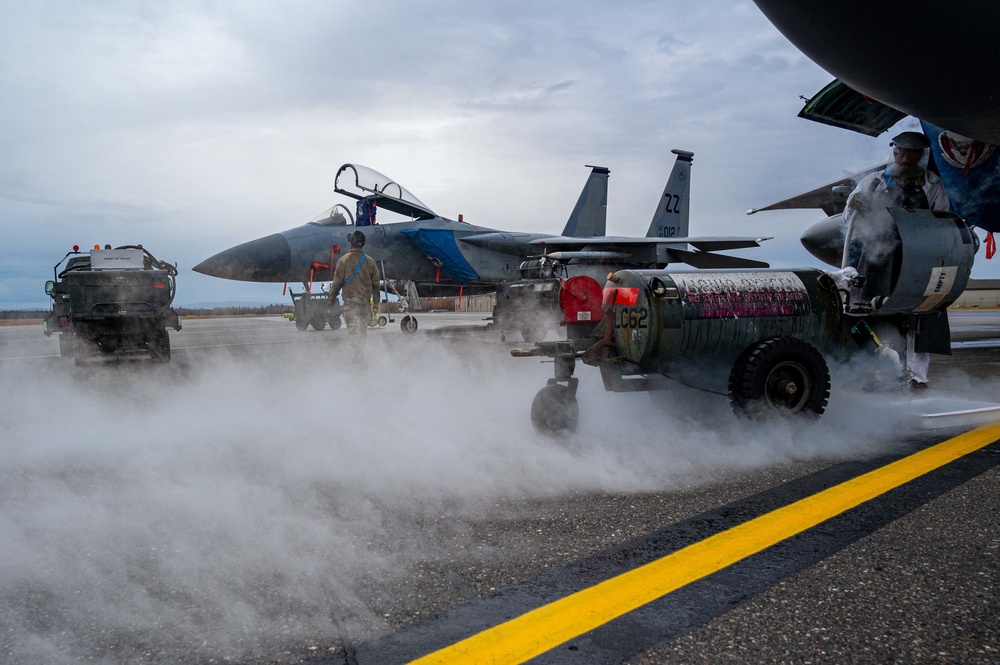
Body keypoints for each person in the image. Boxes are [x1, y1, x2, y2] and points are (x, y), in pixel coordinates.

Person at [842, 130, 952, 388]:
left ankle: (917, 378)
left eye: (911, 153)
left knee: (919, 318)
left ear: (920, 155)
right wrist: (854, 204)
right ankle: (882, 374)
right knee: (877, 314)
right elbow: (849, 220)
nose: (904, 158)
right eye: (900, 152)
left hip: (918, 259)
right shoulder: (874, 181)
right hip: (878, 259)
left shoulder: (932, 184)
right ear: (894, 152)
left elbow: (944, 220)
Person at [329, 230, 380, 364]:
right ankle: (360, 354)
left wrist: (331, 300)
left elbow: (336, 283)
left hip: (350, 304)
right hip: (365, 305)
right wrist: (376, 302)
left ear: (351, 243)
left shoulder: (343, 261)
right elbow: (376, 284)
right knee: (362, 330)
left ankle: (359, 356)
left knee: (355, 331)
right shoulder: (370, 261)